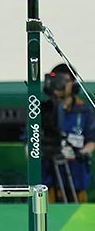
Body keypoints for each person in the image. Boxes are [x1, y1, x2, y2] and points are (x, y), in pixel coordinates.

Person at [41, 63, 95, 203]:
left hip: (76, 177)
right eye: (56, 80)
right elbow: (28, 143)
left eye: (64, 81)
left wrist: (81, 153)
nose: (60, 85)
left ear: (73, 84)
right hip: (47, 180)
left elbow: (92, 140)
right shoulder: (43, 111)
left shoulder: (85, 110)